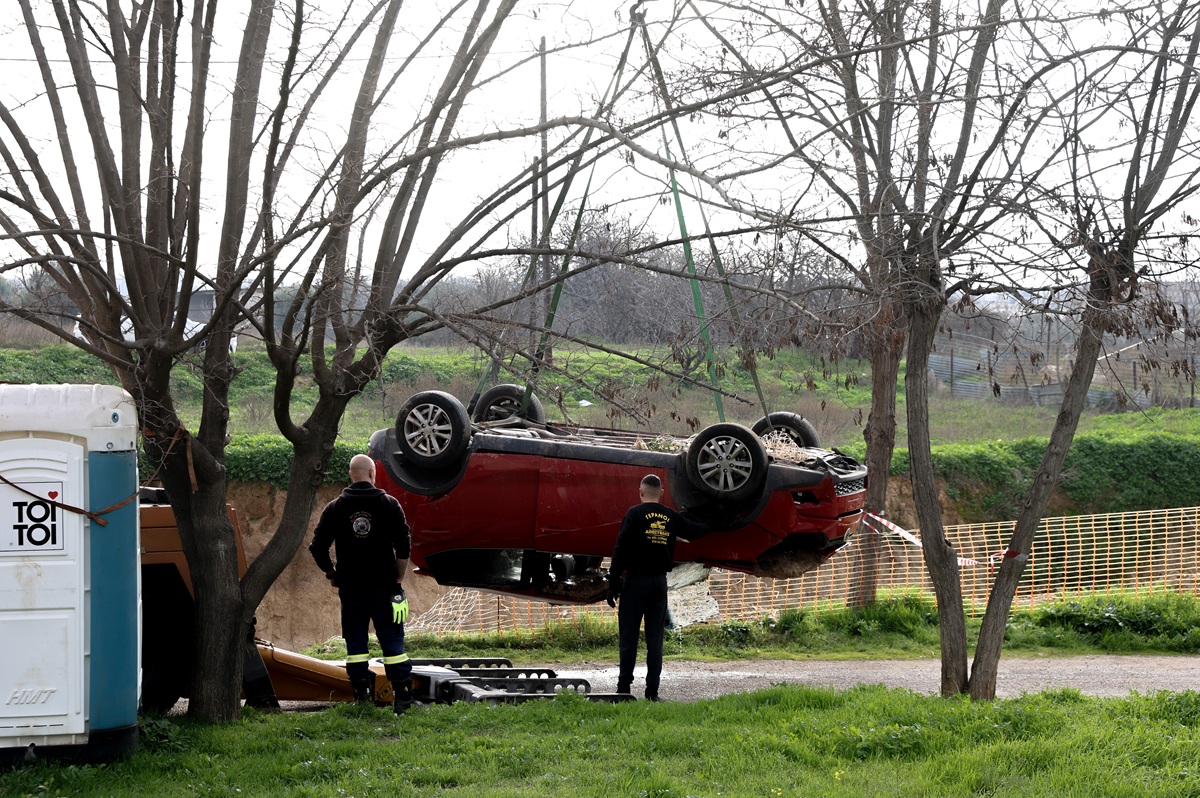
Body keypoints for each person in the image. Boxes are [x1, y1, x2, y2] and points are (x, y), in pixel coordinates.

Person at [309, 454, 415, 714]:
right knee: (393, 644)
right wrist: (399, 578)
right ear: (372, 474)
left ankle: (361, 699)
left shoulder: (335, 508)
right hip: (385, 587)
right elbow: (404, 546)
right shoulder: (390, 505)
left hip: (351, 588)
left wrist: (332, 573)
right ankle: (402, 700)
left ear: (350, 475)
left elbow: (317, 547)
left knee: (356, 646)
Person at [606, 473, 708, 700]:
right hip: (658, 584)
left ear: (640, 492)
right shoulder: (670, 516)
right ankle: (652, 692)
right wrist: (716, 518)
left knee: (629, 637)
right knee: (655, 639)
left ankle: (623, 689)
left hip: (635, 583)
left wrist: (613, 584)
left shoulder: (634, 513)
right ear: (662, 493)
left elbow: (620, 549)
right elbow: (695, 530)